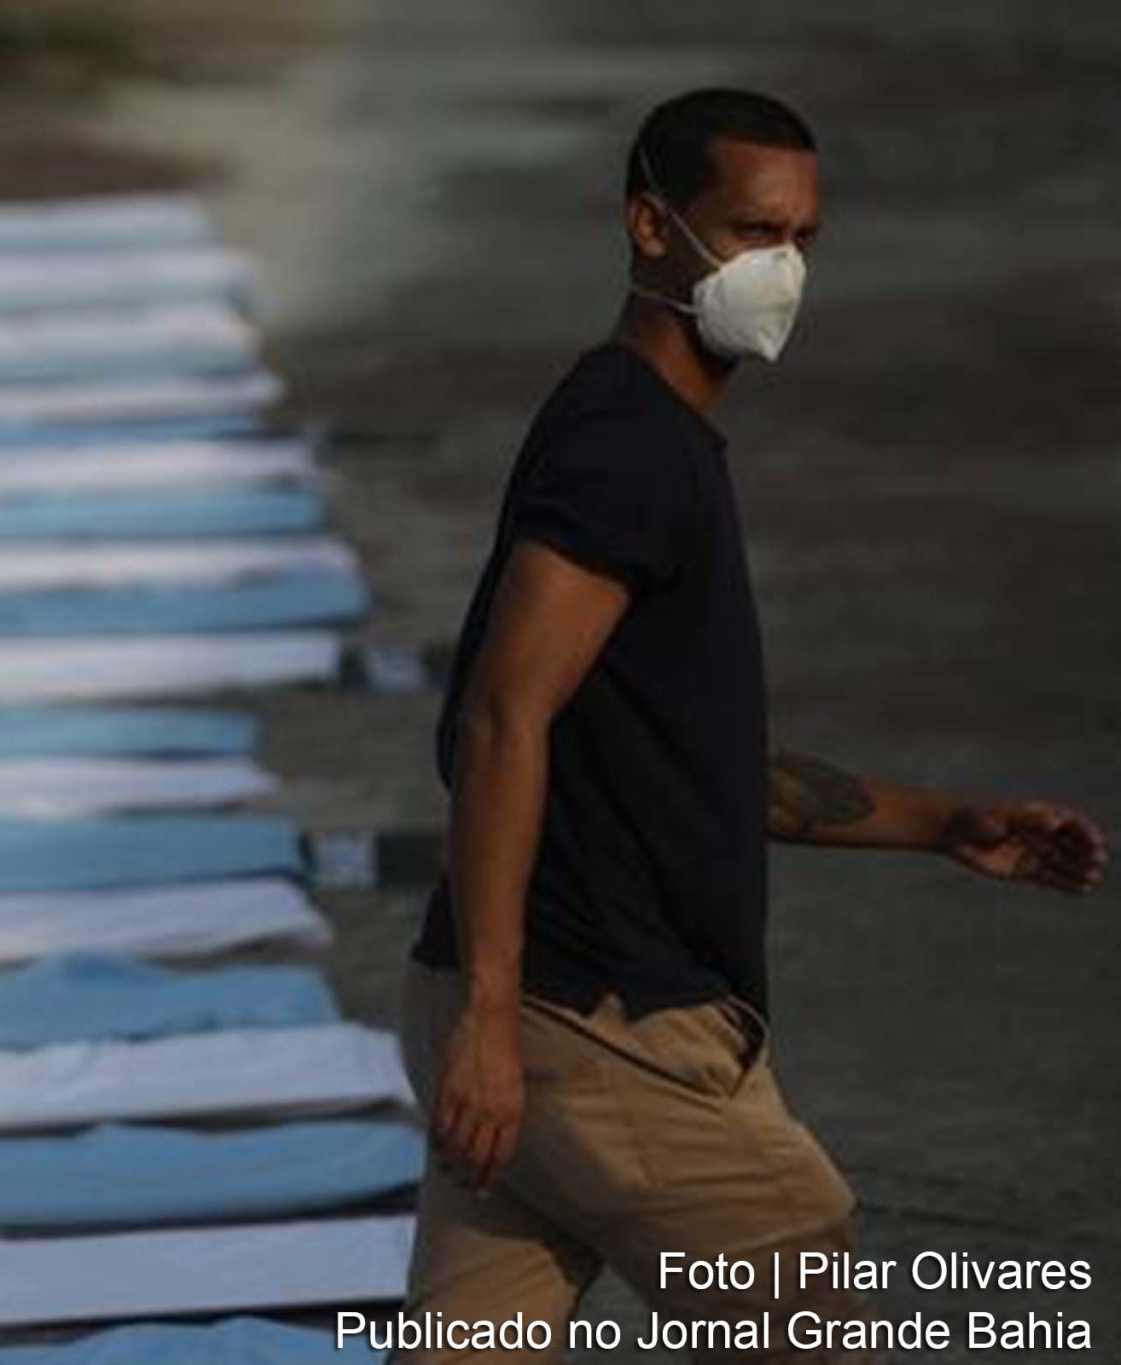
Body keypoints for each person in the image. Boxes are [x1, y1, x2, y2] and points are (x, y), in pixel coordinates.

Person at [393, 88, 1109, 1362]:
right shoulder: (628, 450)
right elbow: (503, 717)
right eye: (749, 230)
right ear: (648, 226)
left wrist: (941, 823)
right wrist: (496, 1027)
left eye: (803, 240)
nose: (779, 271)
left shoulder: (640, 434)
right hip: (597, 1031)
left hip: (512, 1022)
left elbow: (687, 765)